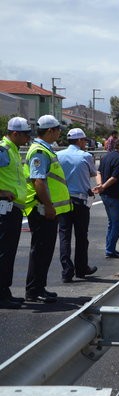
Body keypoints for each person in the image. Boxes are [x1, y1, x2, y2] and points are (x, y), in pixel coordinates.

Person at [23, 115, 72, 303]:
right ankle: (34, 290)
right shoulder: (40, 152)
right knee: (41, 250)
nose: (60, 133)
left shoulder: (46, 150)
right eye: (58, 129)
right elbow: (39, 181)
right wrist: (49, 206)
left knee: (45, 250)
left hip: (46, 209)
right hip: (42, 209)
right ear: (50, 130)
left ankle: (39, 287)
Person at [57, 128, 99, 283]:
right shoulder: (86, 156)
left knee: (64, 236)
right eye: (84, 141)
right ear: (80, 141)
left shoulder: (58, 155)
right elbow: (93, 173)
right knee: (81, 236)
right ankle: (81, 268)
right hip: (80, 200)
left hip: (63, 200)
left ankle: (67, 270)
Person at [0, 117, 31, 309]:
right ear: (15, 133)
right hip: (5, 209)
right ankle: (1, 295)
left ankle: (5, 291)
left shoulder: (12, 150)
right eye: (26, 134)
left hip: (14, 208)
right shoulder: (3, 149)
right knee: (3, 253)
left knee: (9, 253)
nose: (28, 137)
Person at [94, 135, 119, 258]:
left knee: (112, 223)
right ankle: (110, 250)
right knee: (116, 224)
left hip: (105, 195)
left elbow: (98, 172)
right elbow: (114, 177)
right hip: (115, 195)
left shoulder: (106, 157)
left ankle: (110, 247)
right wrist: (103, 186)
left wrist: (100, 185)